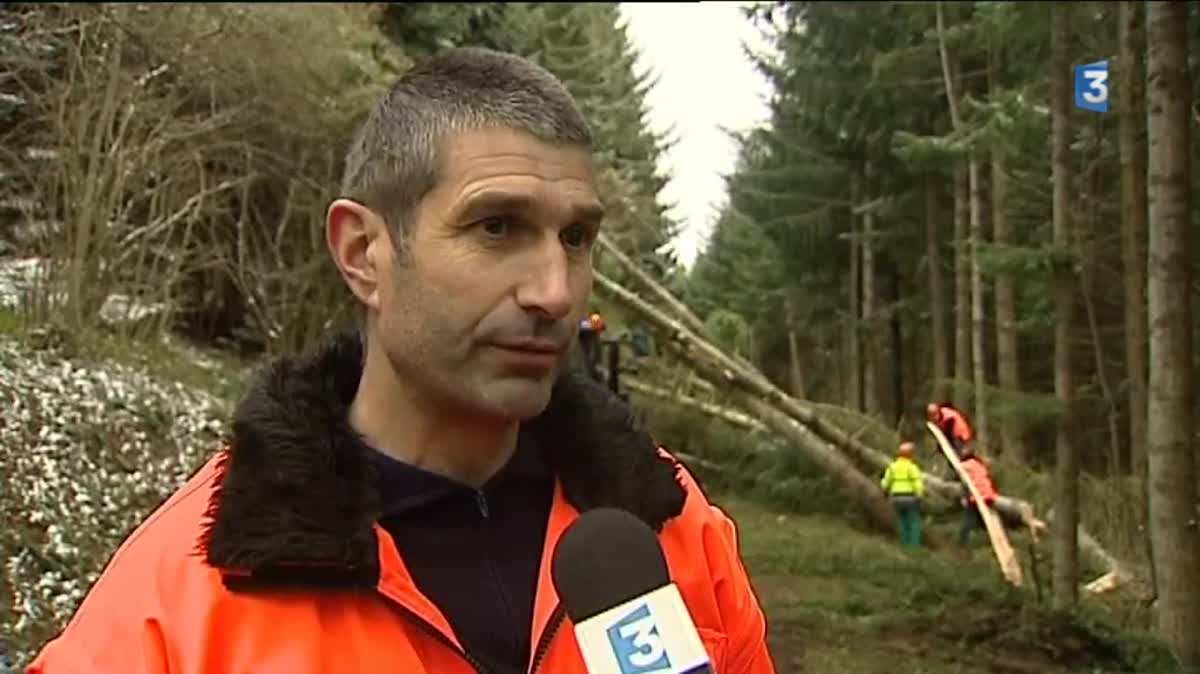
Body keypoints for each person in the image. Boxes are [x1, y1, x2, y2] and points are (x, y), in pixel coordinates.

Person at [26, 48, 774, 674]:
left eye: (575, 238)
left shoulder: (672, 530)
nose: (554, 291)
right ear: (363, 254)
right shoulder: (182, 603)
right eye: (497, 226)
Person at [880, 441, 925, 547]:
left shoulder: (892, 467)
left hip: (896, 497)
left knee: (901, 521)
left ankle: (903, 543)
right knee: (913, 521)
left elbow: (886, 482)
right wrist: (919, 495)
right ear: (910, 454)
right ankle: (913, 545)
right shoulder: (911, 467)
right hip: (910, 497)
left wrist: (885, 491)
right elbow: (917, 482)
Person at [957, 448, 999, 547]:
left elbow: (961, 476)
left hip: (978, 496)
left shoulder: (966, 465)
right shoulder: (980, 465)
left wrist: (964, 497)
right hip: (989, 495)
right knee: (986, 520)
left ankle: (962, 544)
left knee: (968, 520)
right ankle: (988, 542)